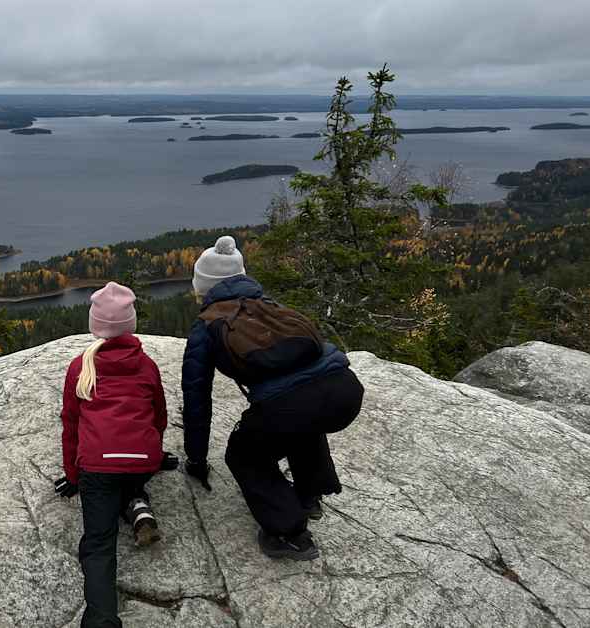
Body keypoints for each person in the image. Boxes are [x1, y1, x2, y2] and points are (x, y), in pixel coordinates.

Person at [181, 235, 364, 561]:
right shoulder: (271, 306)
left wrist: (196, 459)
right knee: (302, 419)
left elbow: (197, 401)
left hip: (292, 405)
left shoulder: (206, 327)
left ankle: (289, 532)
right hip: (346, 390)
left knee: (244, 455)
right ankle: (309, 495)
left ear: (203, 287)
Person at [53, 281, 168, 628]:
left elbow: (71, 426)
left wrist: (74, 477)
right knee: (127, 477)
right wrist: (154, 456)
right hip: (143, 462)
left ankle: (102, 620)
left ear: (94, 325)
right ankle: (136, 503)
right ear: (130, 323)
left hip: (98, 469)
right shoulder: (146, 365)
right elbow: (158, 417)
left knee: (99, 543)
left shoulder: (80, 367)